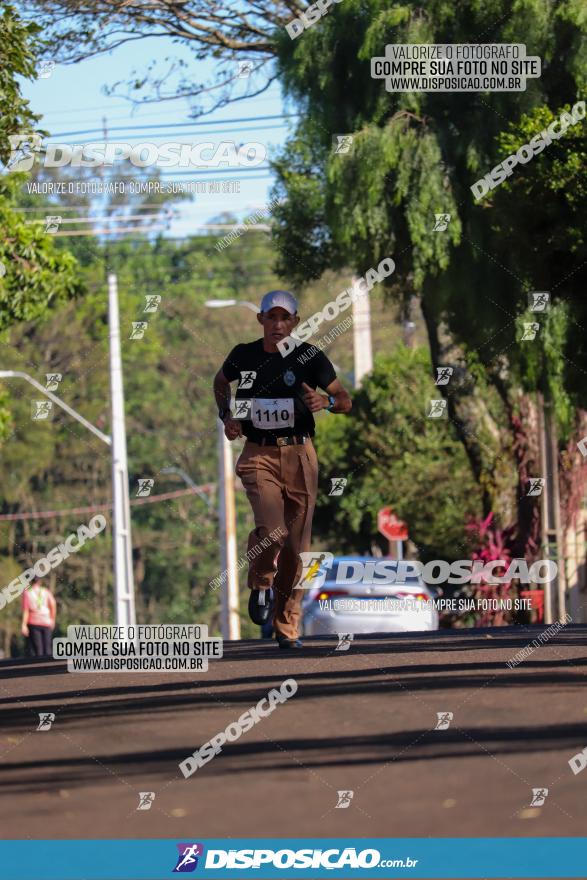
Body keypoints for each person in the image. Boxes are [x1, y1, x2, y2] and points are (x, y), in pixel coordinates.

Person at [213, 290, 352, 649]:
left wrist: (327, 402)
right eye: (270, 318)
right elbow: (220, 382)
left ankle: (287, 626)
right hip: (259, 454)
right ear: (260, 320)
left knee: (296, 548)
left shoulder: (309, 357)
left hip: (301, 454)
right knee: (273, 530)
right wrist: (227, 417)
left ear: (295, 321)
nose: (277, 324)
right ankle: (261, 582)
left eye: (284, 318)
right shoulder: (243, 355)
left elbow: (345, 399)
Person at [21, 580, 56, 657]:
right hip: (46, 622)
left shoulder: (27, 593)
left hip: (34, 622)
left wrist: (23, 625)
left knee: (37, 649)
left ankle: (39, 667)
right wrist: (52, 620)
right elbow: (53, 604)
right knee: (47, 648)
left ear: (30, 582)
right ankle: (49, 667)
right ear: (39, 582)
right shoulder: (46, 591)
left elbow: (26, 610)